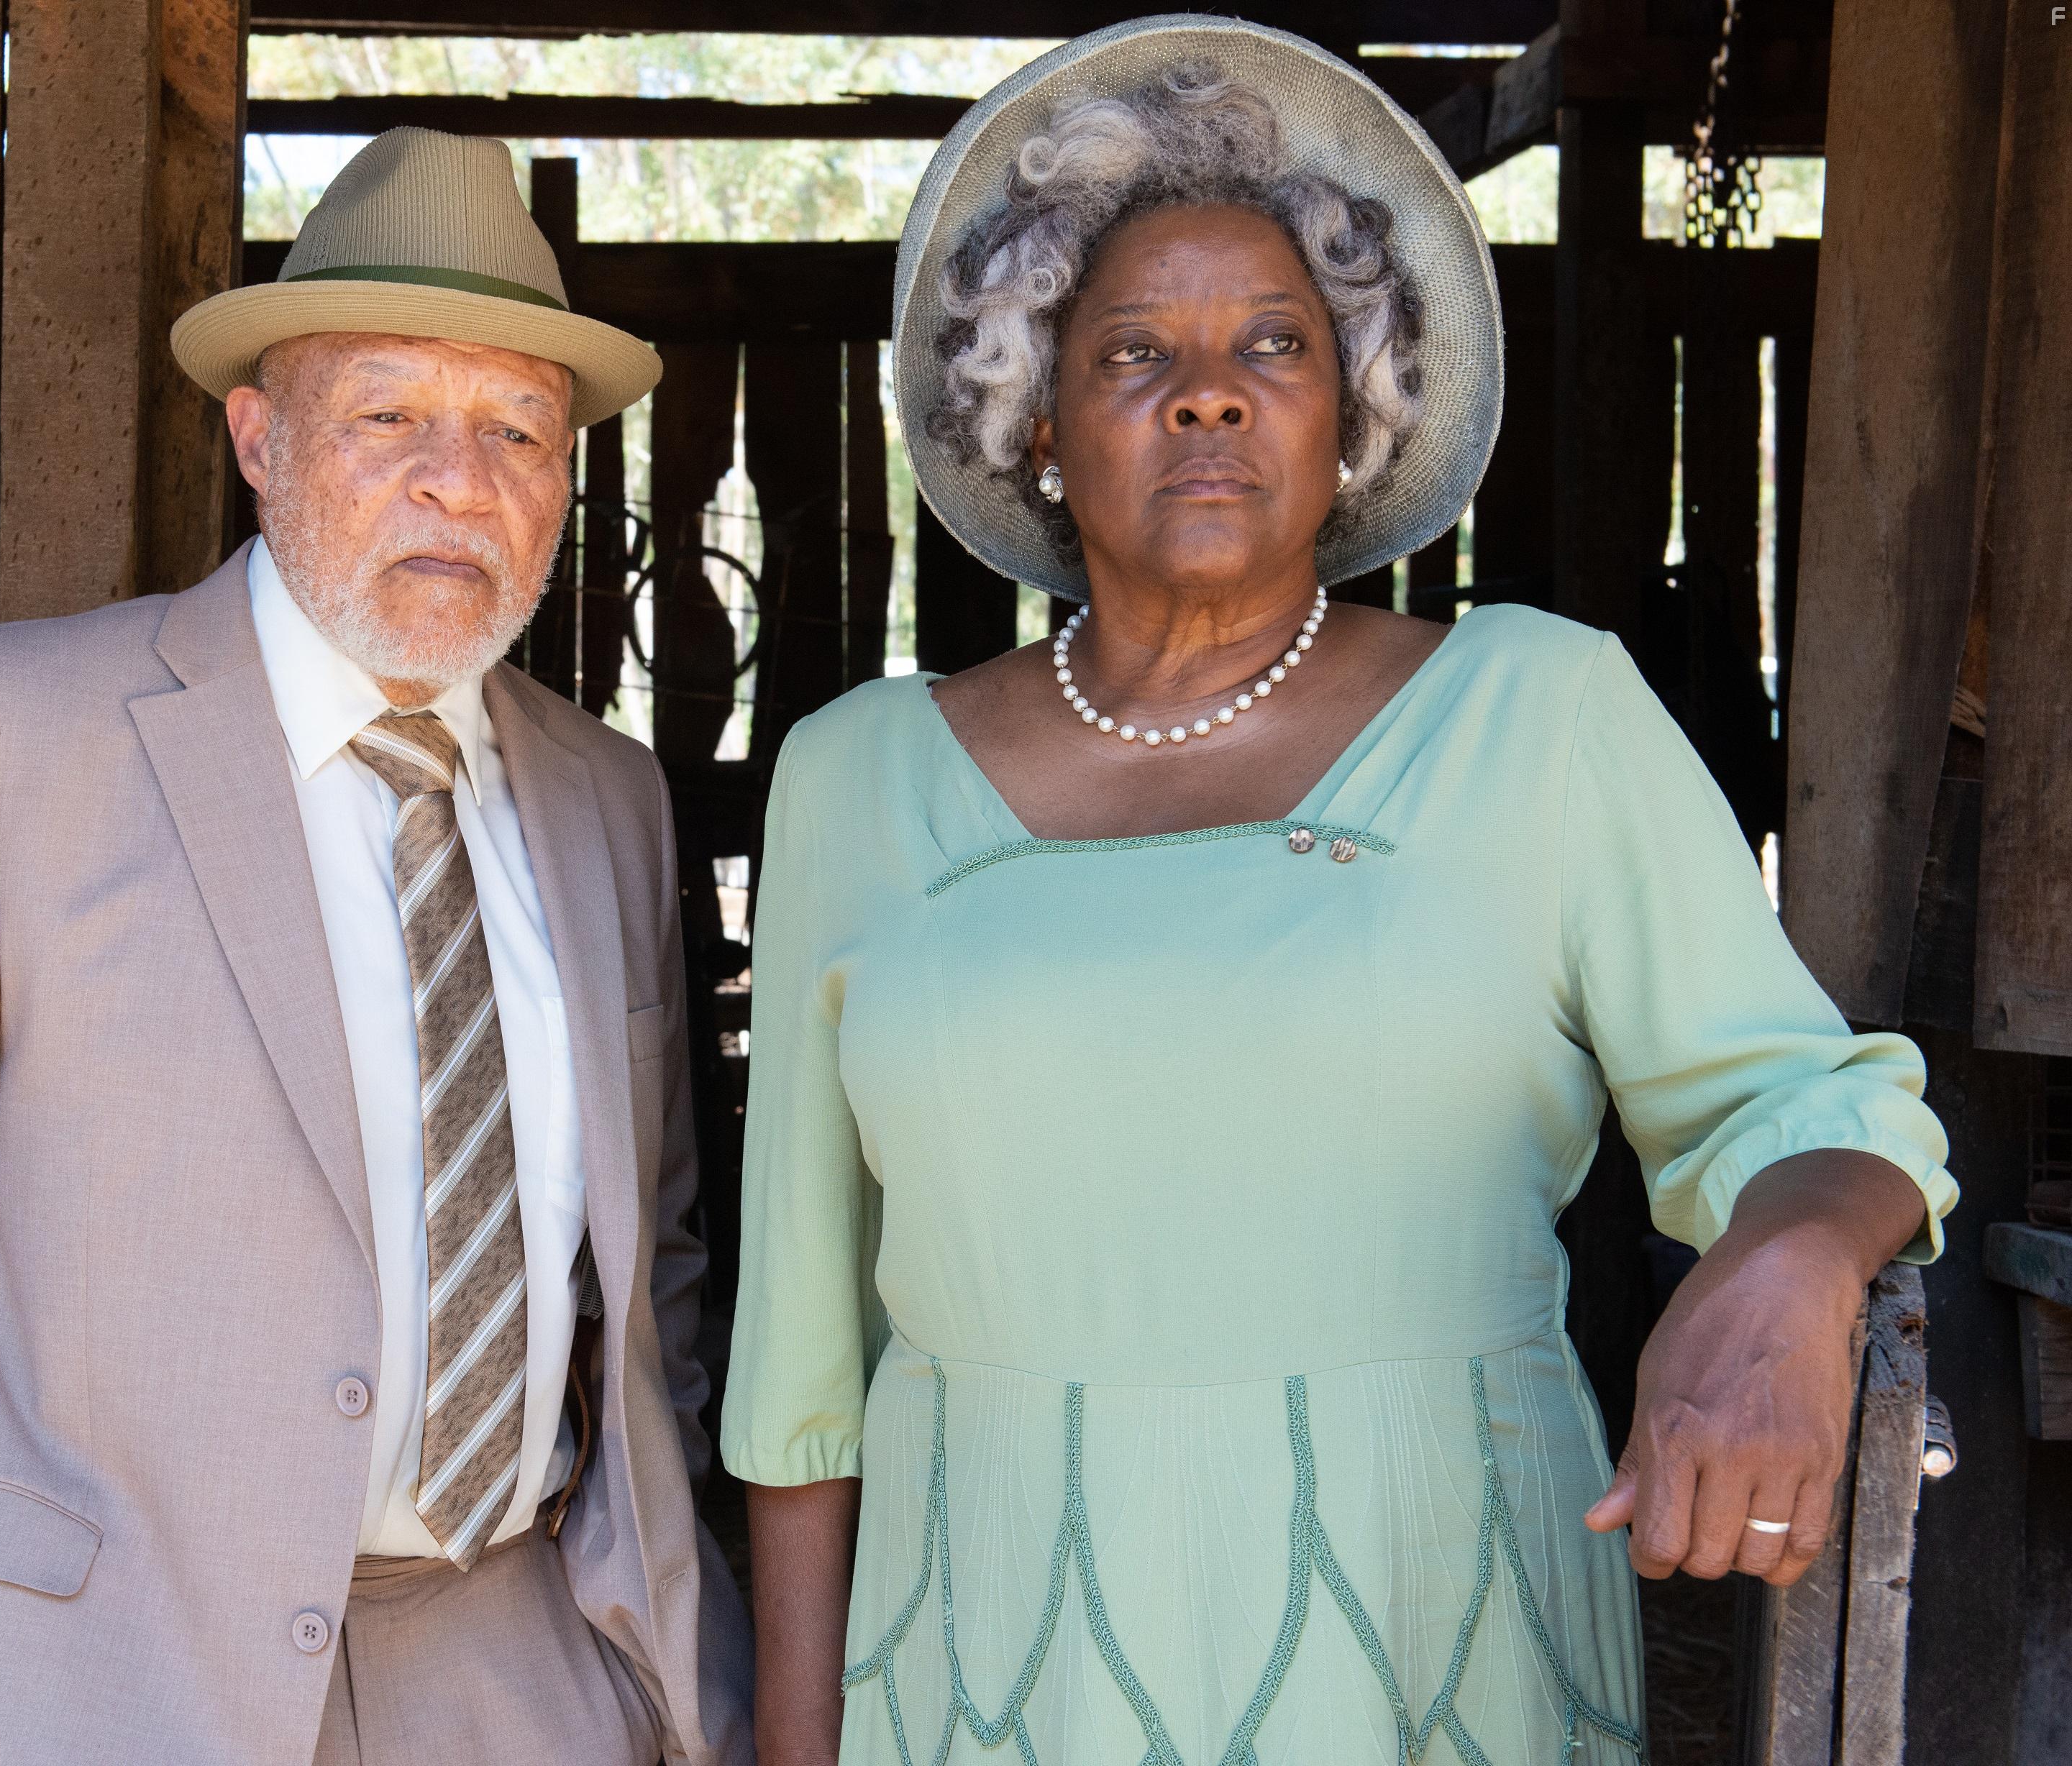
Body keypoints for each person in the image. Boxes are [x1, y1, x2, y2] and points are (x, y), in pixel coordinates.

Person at [721, 20, 1956, 1765]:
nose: (1205, 391)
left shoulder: (1538, 715)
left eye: (1275, 346)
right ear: (1035, 417)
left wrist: (1793, 1257)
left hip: (1432, 1621)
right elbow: (796, 1372)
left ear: (1355, 406)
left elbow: (1800, 1101)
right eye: (1131, 350)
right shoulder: (854, 775)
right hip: (989, 1644)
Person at [0, 127, 750, 1766]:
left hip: (530, 1670)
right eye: (389, 415)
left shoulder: (608, 799)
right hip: (113, 1696)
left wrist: (645, 1685)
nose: (454, 481)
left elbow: (653, 1265)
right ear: (260, 439)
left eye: (514, 430)